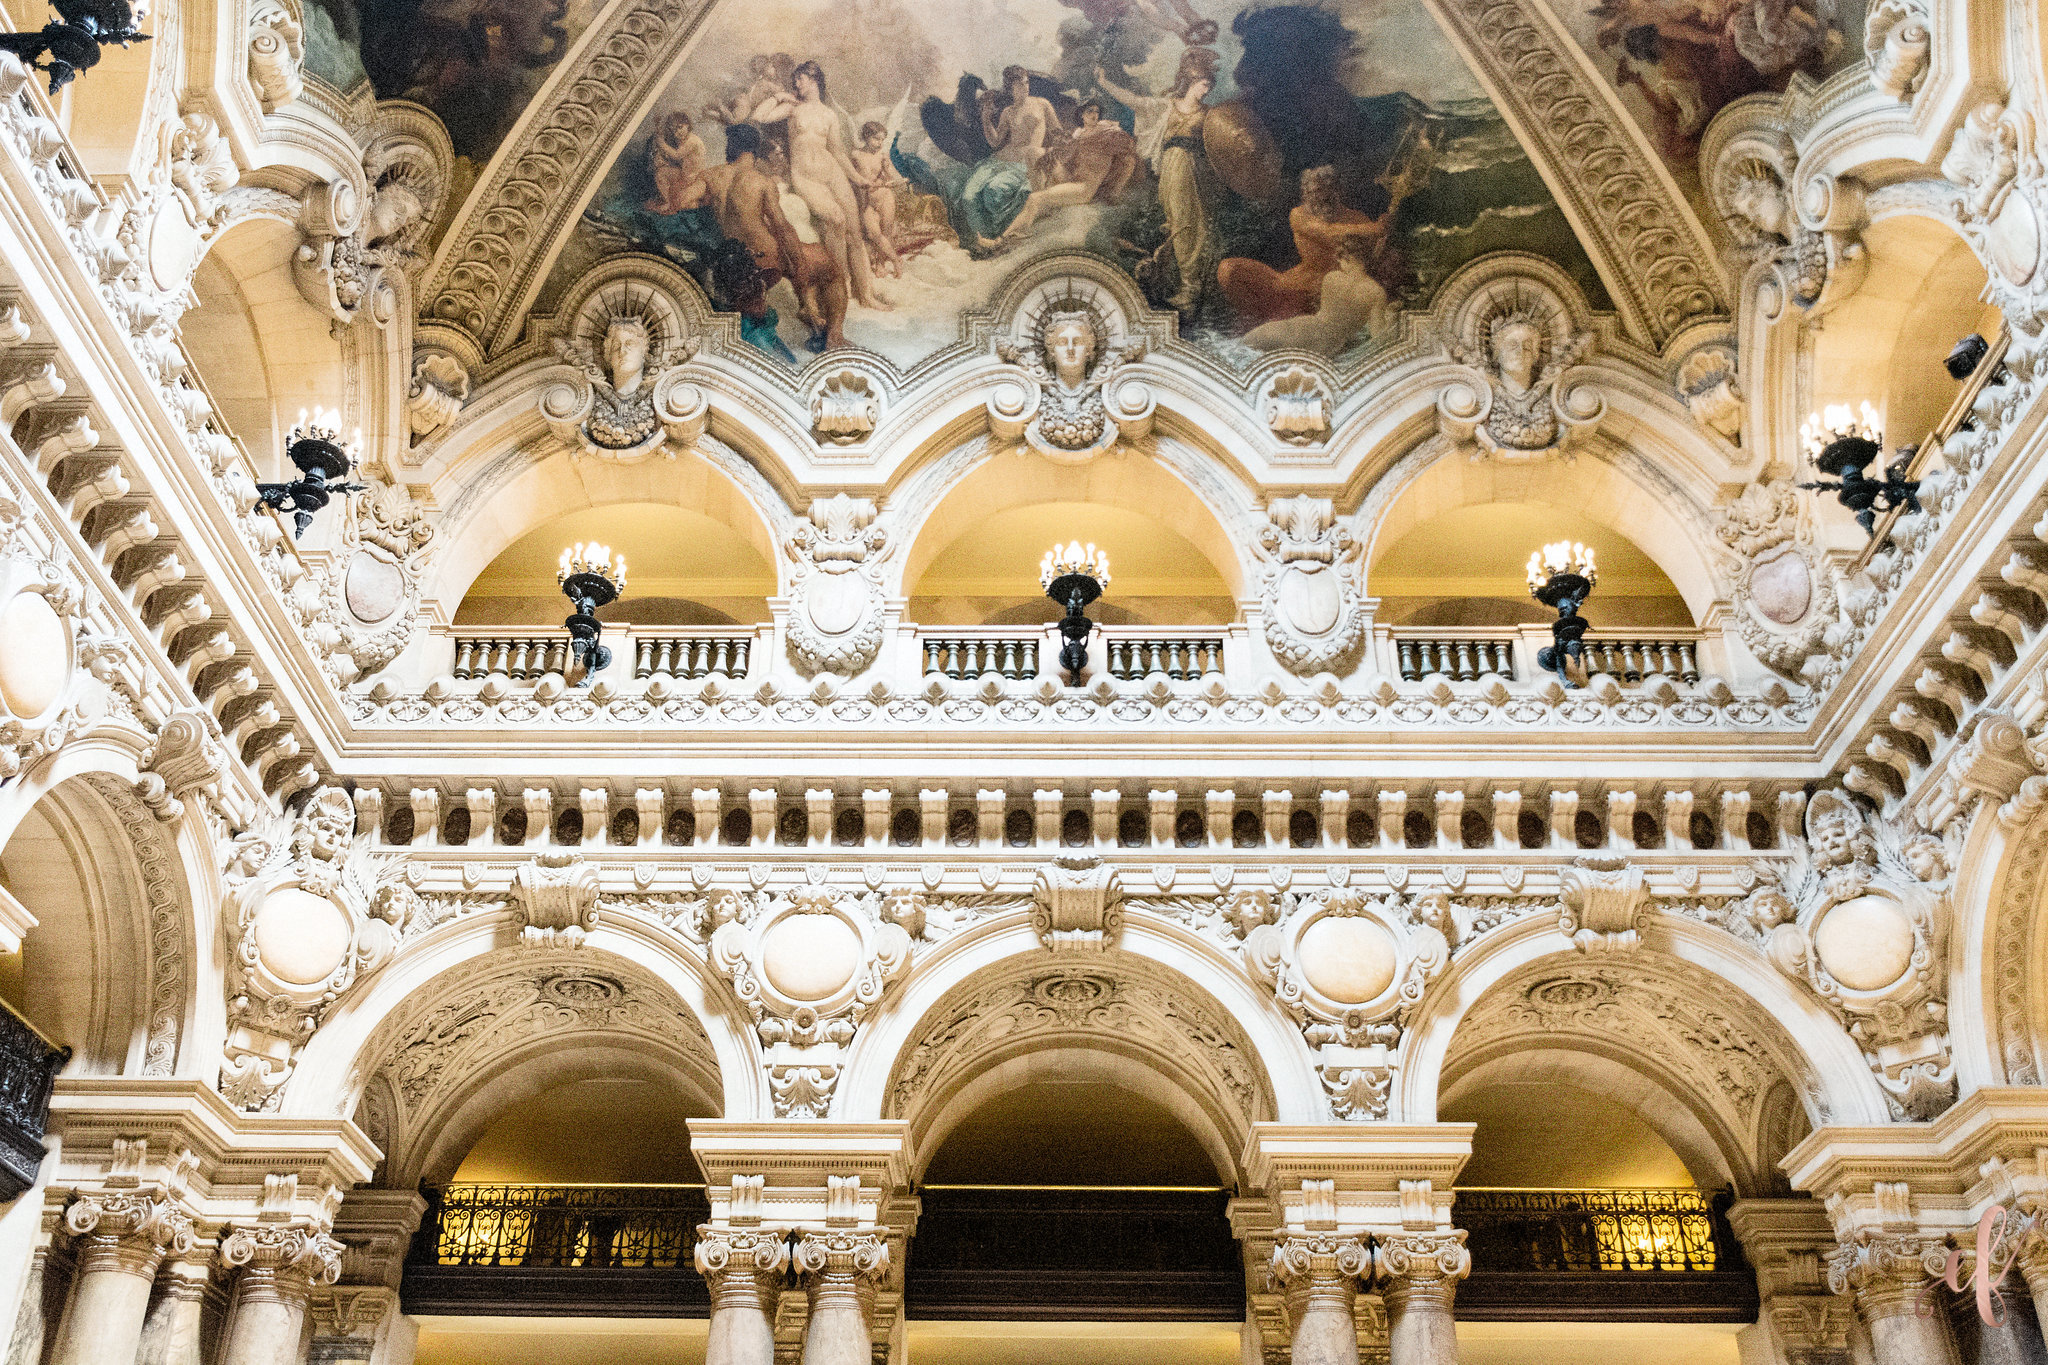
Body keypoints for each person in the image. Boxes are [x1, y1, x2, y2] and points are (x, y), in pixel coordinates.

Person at [749, 60, 890, 311]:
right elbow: (758, 116)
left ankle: (866, 294)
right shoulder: (793, 109)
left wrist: (857, 179)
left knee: (855, 234)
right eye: (795, 80)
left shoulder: (829, 114)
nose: (796, 83)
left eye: (800, 79)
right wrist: (779, 96)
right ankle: (840, 288)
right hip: (805, 177)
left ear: (813, 79)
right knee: (836, 220)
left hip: (832, 173)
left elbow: (836, 150)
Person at [1095, 50, 1218, 312]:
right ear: (1190, 81)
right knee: (1176, 222)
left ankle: (1191, 289)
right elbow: (1135, 101)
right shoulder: (1167, 106)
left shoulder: (1210, 114)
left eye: (1209, 86)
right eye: (1203, 85)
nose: (1206, 91)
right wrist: (1105, 83)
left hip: (1196, 172)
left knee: (1192, 225)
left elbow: (1221, 146)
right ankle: (1177, 283)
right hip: (1172, 170)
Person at [708, 123, 847, 352]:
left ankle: (810, 311)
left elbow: (680, 202)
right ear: (755, 151)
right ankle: (834, 336)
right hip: (761, 259)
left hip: (731, 260)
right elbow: (782, 229)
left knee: (800, 254)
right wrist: (800, 269)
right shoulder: (759, 181)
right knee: (827, 267)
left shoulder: (711, 176)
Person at [1218, 164, 1389, 324]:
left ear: (1339, 190)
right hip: (1294, 284)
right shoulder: (1299, 215)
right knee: (1229, 269)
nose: (1323, 196)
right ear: (1306, 194)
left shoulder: (1357, 218)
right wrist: (1376, 227)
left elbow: (1374, 255)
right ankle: (1254, 321)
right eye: (1317, 191)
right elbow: (1328, 232)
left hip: (1330, 297)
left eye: (1329, 189)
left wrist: (1385, 229)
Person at [997, 100, 1139, 242]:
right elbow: (1067, 157)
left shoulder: (1109, 133)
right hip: (1071, 176)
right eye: (1090, 111)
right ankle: (1043, 207)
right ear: (1081, 115)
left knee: (1035, 199)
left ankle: (1002, 240)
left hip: (1083, 187)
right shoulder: (1079, 134)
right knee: (1033, 153)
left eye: (1096, 111)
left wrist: (1114, 192)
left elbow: (1129, 161)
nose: (1094, 114)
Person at [1240, 233, 1392, 356]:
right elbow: (1378, 336)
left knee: (1255, 339)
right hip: (1329, 342)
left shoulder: (1332, 277)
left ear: (1345, 258)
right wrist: (1391, 318)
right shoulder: (1376, 292)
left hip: (1307, 325)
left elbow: (1328, 314)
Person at [849, 121, 905, 277]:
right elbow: (851, 178)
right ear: (866, 137)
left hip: (884, 196)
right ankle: (895, 260)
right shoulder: (855, 155)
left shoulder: (882, 155)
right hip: (866, 201)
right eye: (876, 139)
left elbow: (891, 175)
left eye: (882, 140)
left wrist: (889, 172)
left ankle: (881, 264)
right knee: (874, 234)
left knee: (886, 232)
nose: (879, 143)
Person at [642, 110, 709, 215]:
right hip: (684, 176)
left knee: (683, 203)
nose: (677, 133)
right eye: (674, 130)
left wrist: (661, 144)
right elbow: (677, 159)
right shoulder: (682, 139)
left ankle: (672, 203)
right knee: (660, 174)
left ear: (687, 124)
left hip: (694, 179)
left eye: (680, 127)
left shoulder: (692, 141)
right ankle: (667, 202)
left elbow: (677, 155)